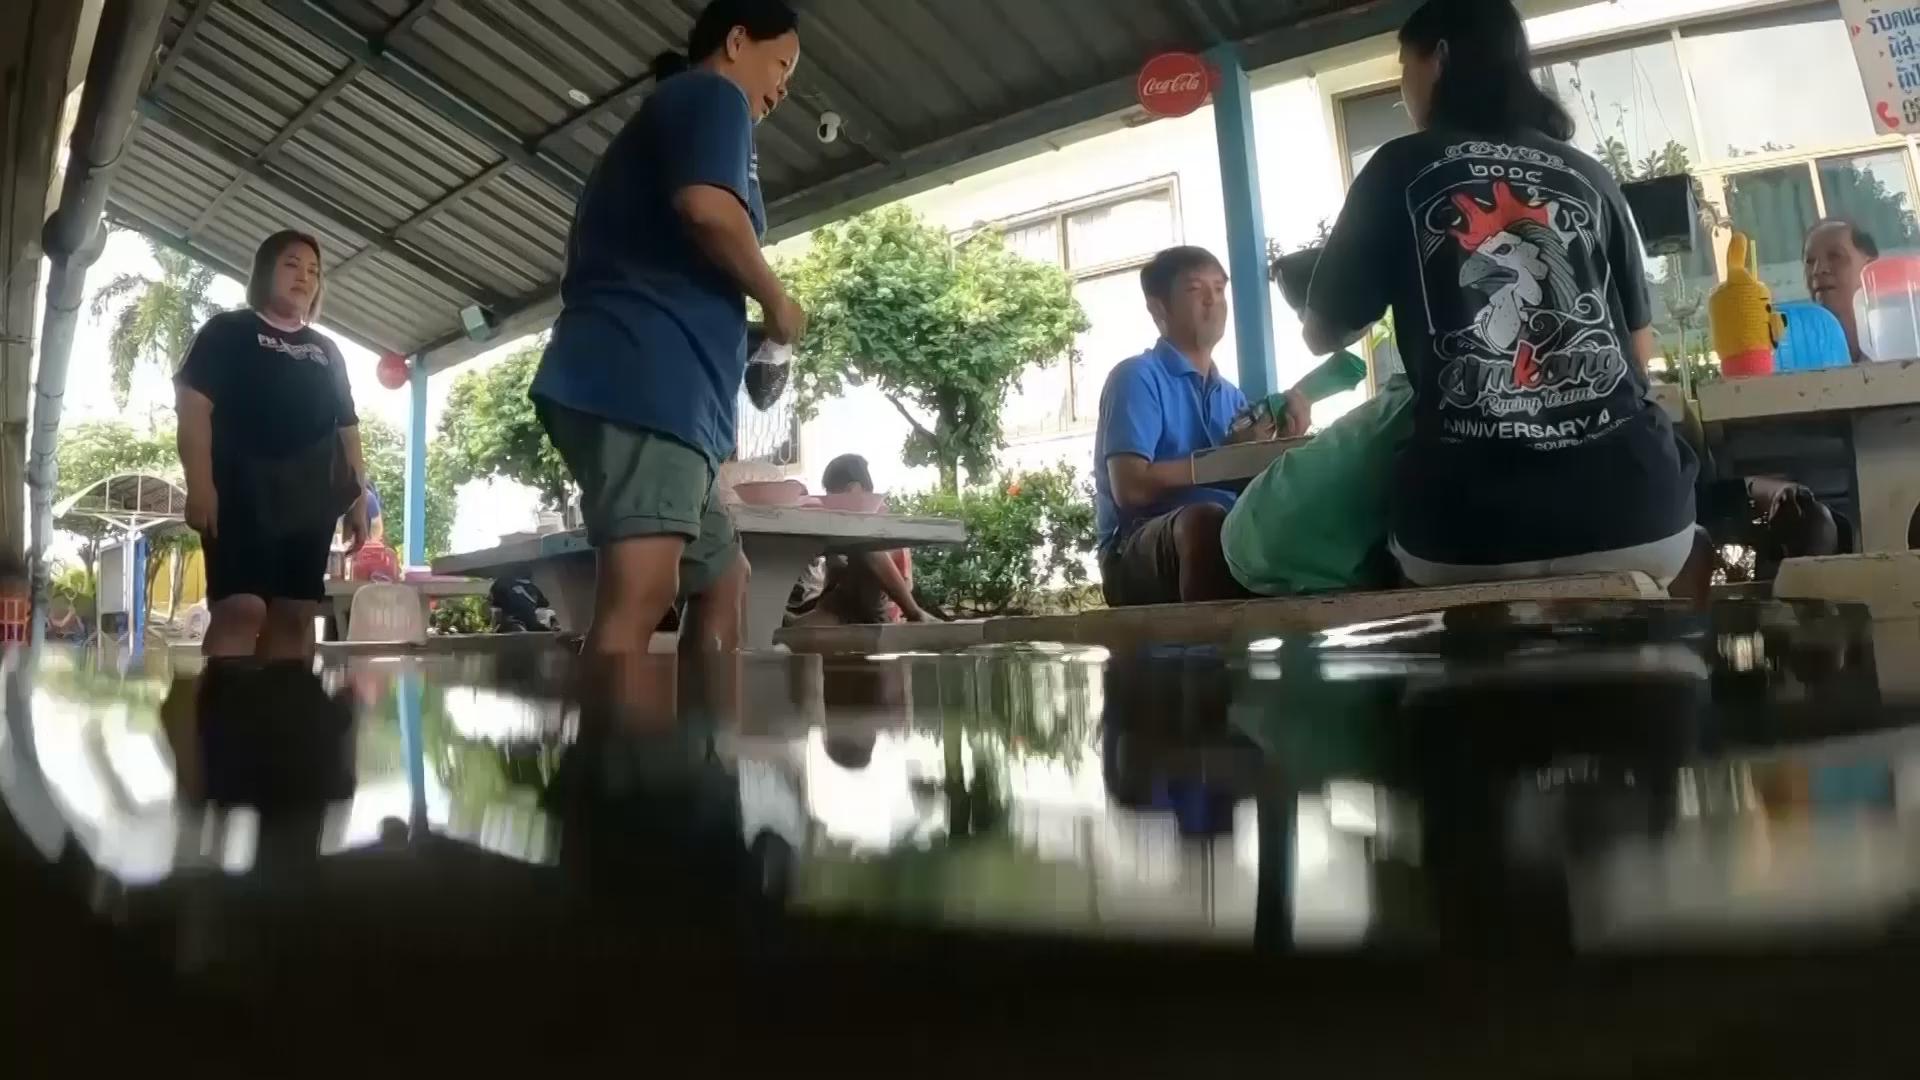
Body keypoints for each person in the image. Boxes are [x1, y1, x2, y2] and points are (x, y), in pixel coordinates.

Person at [1302, 0, 1696, 588]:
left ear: (1438, 58)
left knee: (1345, 551)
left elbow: (1322, 333)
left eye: (1404, 68)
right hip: (1637, 514)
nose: (1403, 91)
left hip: (1464, 533)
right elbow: (1637, 353)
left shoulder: (1398, 165)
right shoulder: (1590, 175)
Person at [528, 0, 804, 658]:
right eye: (782, 64)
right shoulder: (712, 95)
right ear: (737, 41)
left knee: (724, 578)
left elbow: (670, 250)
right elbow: (707, 210)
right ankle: (612, 727)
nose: (784, 88)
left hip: (660, 388)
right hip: (647, 384)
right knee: (641, 594)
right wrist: (778, 303)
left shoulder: (683, 113)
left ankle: (706, 727)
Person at [177, 229, 369, 659]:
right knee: (240, 609)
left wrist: (359, 501)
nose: (304, 277)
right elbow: (193, 410)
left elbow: (348, 429)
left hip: (310, 503)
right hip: (240, 494)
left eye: (314, 271)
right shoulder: (226, 332)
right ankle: (224, 702)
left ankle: (284, 702)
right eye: (292, 265)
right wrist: (199, 485)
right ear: (265, 272)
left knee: (295, 614)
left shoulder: (327, 350)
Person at [1093, 246, 1305, 607]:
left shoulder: (1232, 396)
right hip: (1133, 548)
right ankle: (1208, 644)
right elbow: (1130, 487)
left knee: (1295, 520)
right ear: (1158, 308)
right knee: (1205, 523)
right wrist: (1221, 461)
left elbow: (1247, 493)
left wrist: (1281, 446)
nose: (1213, 301)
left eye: (1219, 289)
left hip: (1221, 534)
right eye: (1195, 289)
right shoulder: (1136, 378)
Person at [796, 454, 937, 625]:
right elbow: (832, 580)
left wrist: (911, 610)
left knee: (866, 549)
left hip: (874, 612)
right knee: (791, 627)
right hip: (841, 607)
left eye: (832, 493)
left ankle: (915, 613)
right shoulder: (842, 526)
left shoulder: (882, 520)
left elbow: (902, 579)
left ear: (853, 490)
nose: (829, 498)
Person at [1804, 218, 1878, 364]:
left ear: (1870, 267)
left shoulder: (1900, 343)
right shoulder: (1798, 353)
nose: (1818, 270)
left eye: (1835, 256)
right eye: (1810, 261)